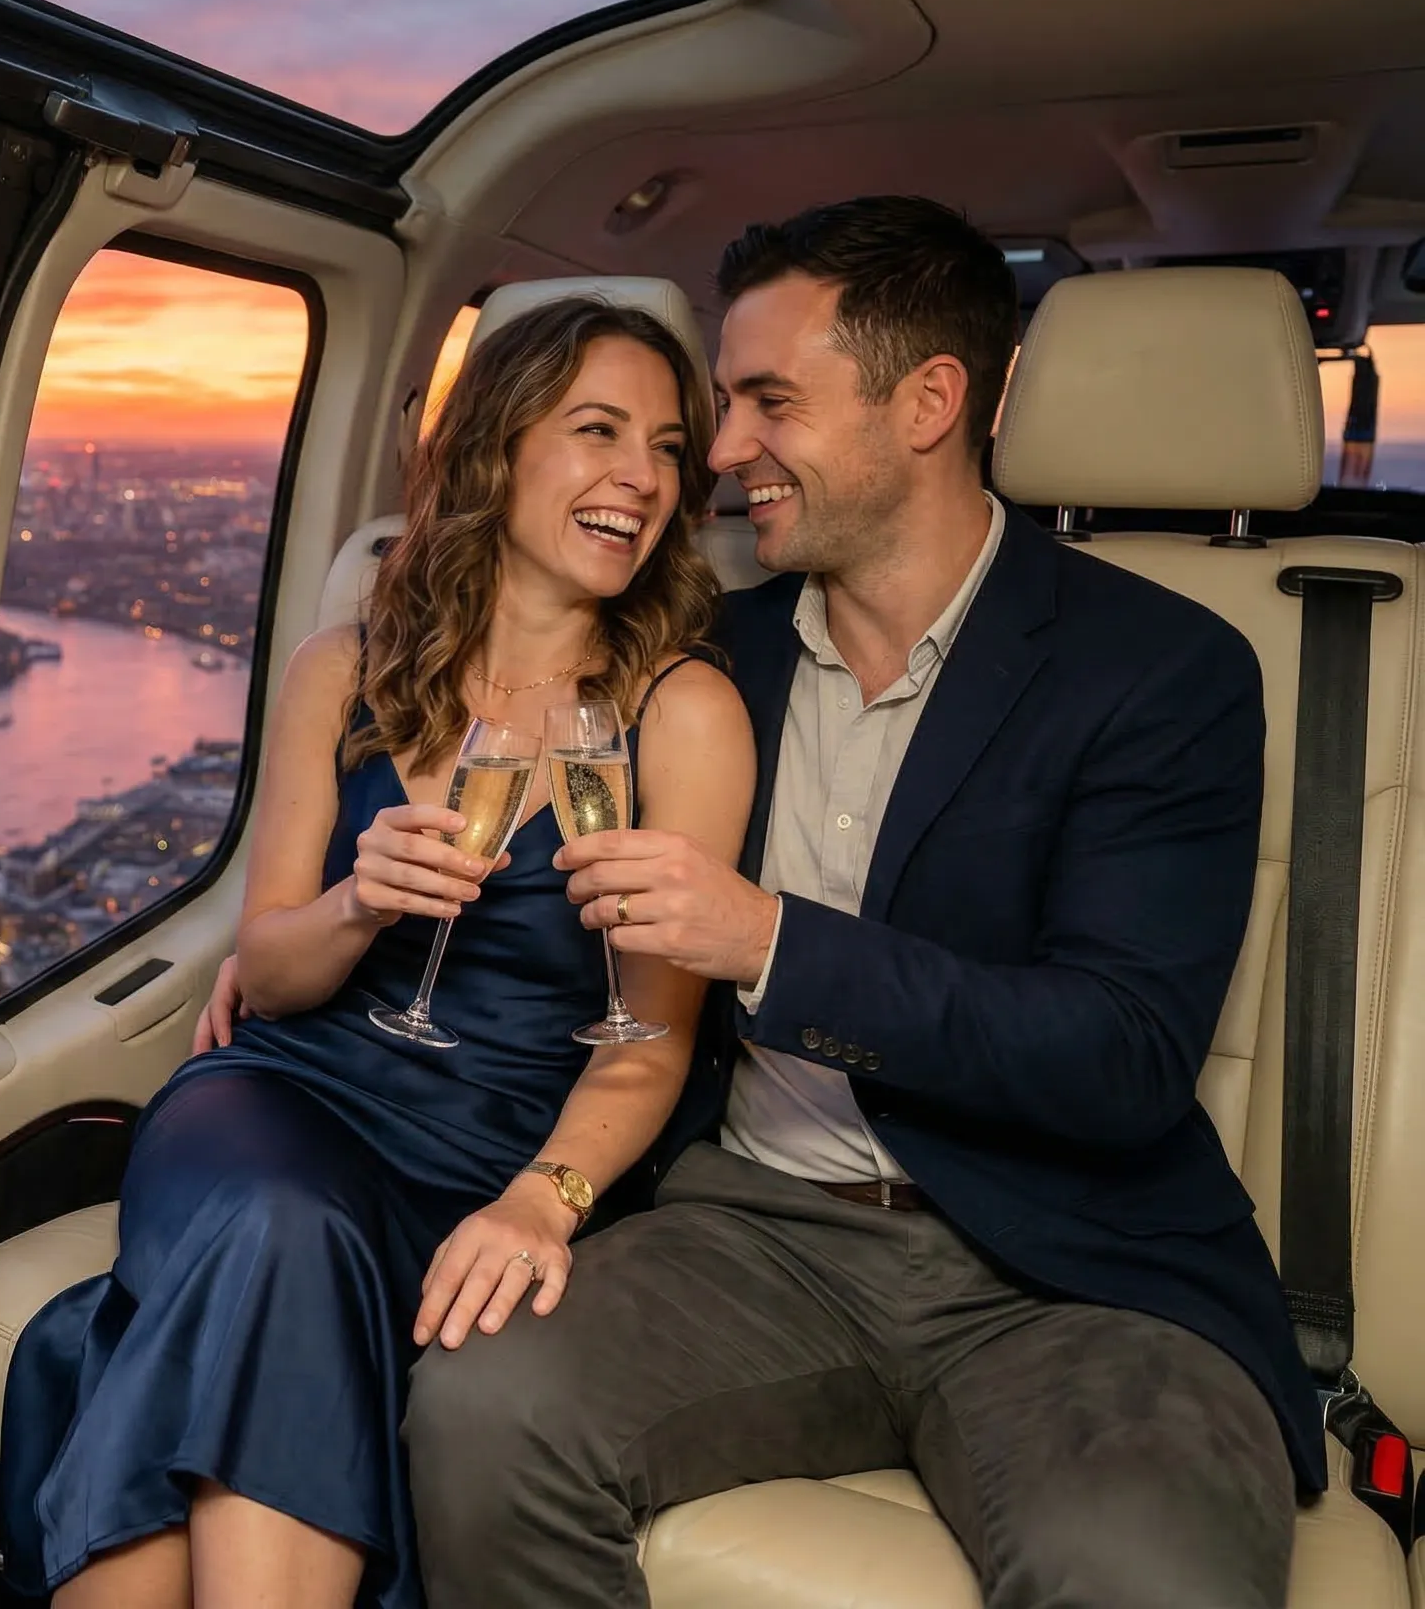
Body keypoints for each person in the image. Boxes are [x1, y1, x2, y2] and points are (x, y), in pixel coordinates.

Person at [388, 197, 1319, 1607]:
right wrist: (310, 939)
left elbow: (1121, 1057)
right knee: (478, 1407)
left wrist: (769, 943)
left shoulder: (1162, 672)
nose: (723, 448)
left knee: (1143, 1573)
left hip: (1069, 1277)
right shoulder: (700, 653)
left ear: (930, 402)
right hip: (750, 1231)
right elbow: (487, 714)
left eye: (769, 402)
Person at [0, 297, 757, 1609]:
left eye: (670, 447)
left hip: (504, 1142)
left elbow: (657, 1039)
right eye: (598, 430)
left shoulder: (682, 714)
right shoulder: (338, 672)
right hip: (283, 1097)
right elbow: (275, 972)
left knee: (241, 1290)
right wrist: (357, 904)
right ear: (495, 451)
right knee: (284, 1224)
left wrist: (544, 1201)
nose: (644, 474)